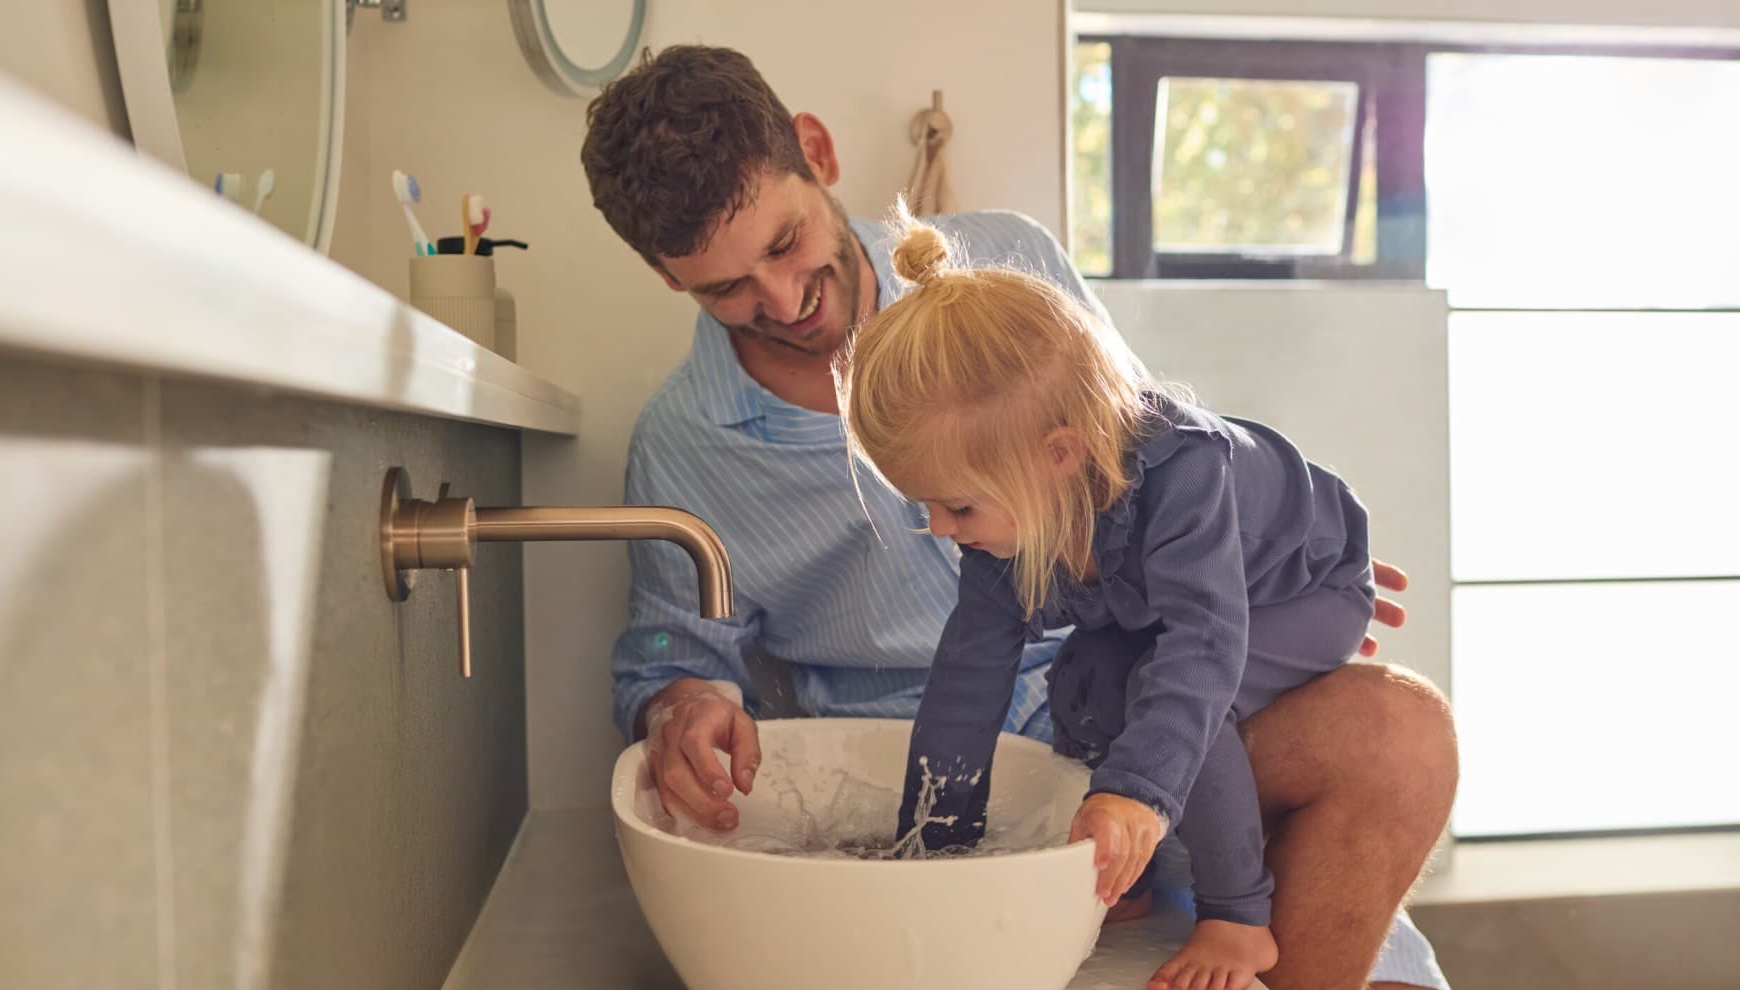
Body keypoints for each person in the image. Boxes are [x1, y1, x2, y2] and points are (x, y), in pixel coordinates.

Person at [583, 44, 1457, 990]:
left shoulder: (1013, 260)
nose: (784, 301)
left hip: (1154, 718)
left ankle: (1231, 914)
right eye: (727, 289)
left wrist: (1268, 562)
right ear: (670, 278)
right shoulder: (680, 442)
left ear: (816, 152)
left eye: (785, 243)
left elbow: (1133, 462)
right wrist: (683, 703)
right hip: (952, 757)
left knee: (1399, 732)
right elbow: (673, 655)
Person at [838, 208, 1391, 990]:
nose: (939, 528)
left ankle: (1239, 917)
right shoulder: (1008, 523)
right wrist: (931, 847)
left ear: (1059, 455)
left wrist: (1134, 794)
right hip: (1177, 600)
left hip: (1304, 591)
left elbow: (1203, 648)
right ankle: (1123, 880)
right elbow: (967, 678)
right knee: (1083, 682)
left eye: (956, 506)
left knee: (1167, 693)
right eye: (926, 505)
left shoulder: (1186, 476)